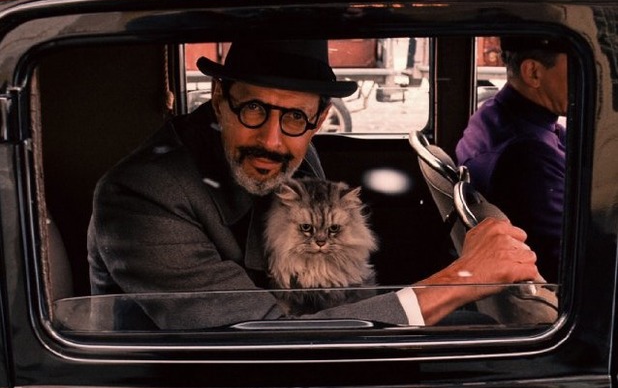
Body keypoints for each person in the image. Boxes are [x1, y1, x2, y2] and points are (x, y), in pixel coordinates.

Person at [88, 39, 541, 330]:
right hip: (202, 379)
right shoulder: (143, 195)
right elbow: (260, 342)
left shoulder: (298, 153)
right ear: (220, 99)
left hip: (290, 349)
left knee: (478, 331)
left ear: (320, 118)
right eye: (253, 109)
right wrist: (462, 279)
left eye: (294, 117)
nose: (271, 140)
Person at [456, 36, 568, 283]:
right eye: (578, 66)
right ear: (533, 72)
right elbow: (569, 255)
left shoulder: (494, 112)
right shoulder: (527, 155)